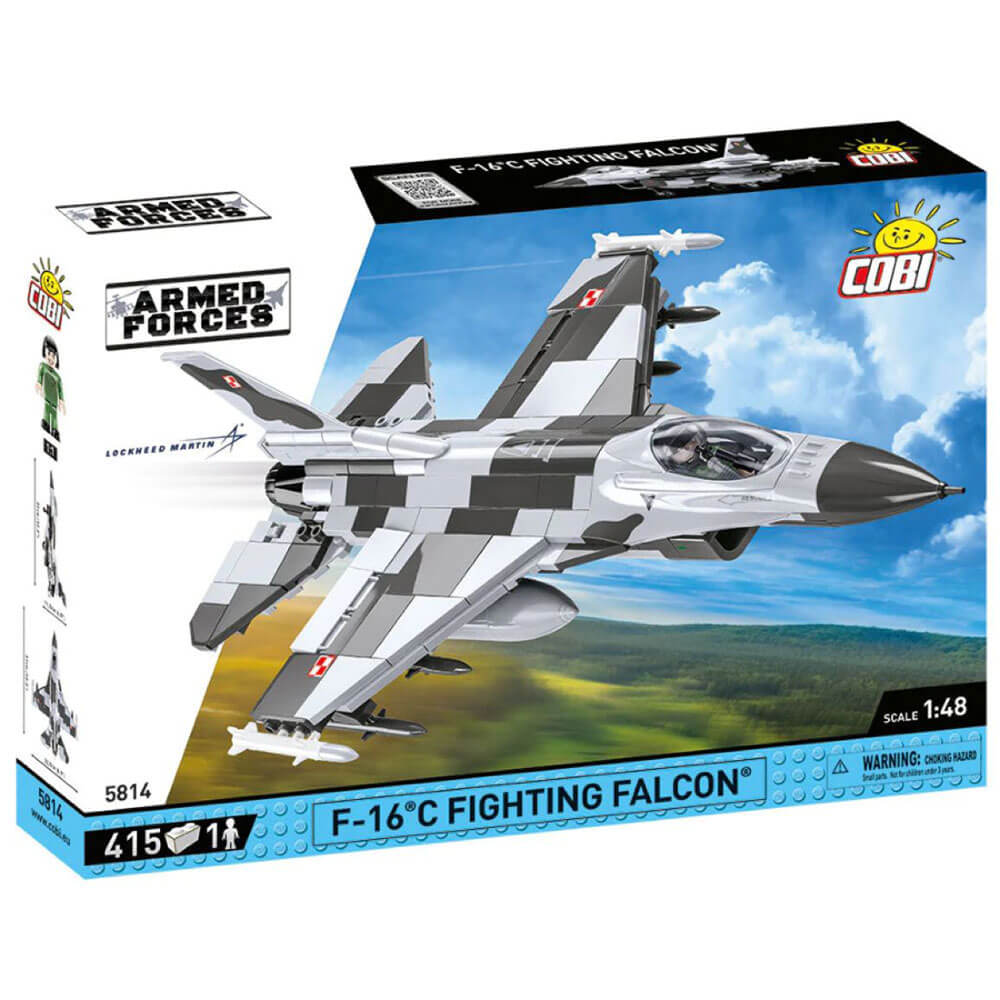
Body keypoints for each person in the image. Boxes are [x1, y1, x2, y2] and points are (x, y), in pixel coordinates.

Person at [37, 336, 65, 441]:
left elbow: (60, 389)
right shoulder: (43, 367)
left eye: (53, 356)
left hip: (54, 401)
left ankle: (54, 429)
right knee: (46, 411)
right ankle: (45, 424)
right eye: (49, 354)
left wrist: (61, 400)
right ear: (45, 353)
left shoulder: (57, 377)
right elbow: (40, 375)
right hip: (47, 397)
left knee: (54, 416)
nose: (51, 358)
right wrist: (39, 383)